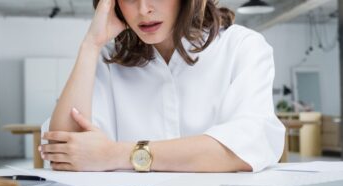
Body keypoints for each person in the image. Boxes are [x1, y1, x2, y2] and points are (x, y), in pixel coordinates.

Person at [39, 0, 285, 173]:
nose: (144, 9)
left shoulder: (242, 46)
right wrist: (90, 44)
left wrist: (113, 154)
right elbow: (64, 153)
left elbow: (244, 148)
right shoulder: (108, 58)